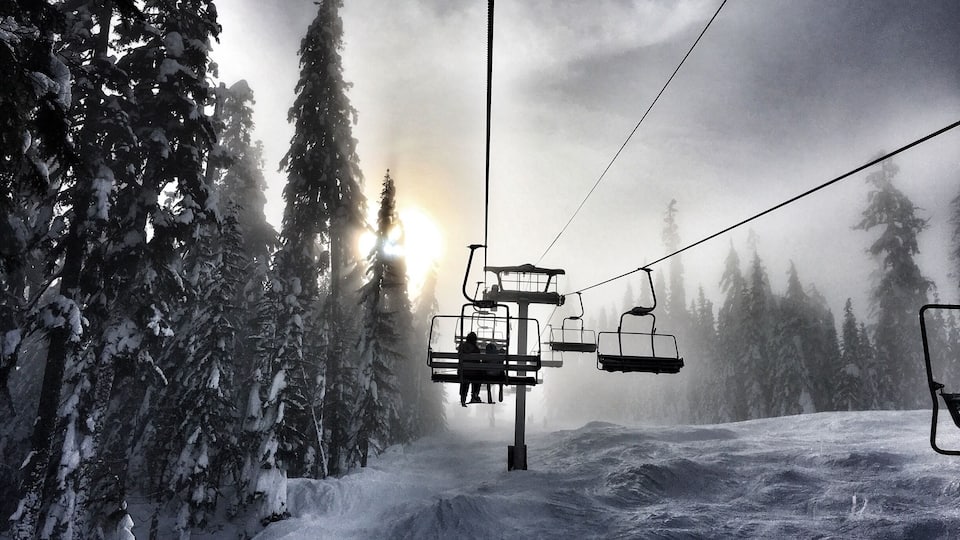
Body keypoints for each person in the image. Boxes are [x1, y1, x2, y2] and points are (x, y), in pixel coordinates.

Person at [457, 332, 482, 406]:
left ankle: (463, 397)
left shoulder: (461, 347)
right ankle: (475, 394)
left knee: (464, 380)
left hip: (462, 372)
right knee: (478, 376)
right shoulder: (476, 349)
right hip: (474, 374)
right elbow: (478, 362)